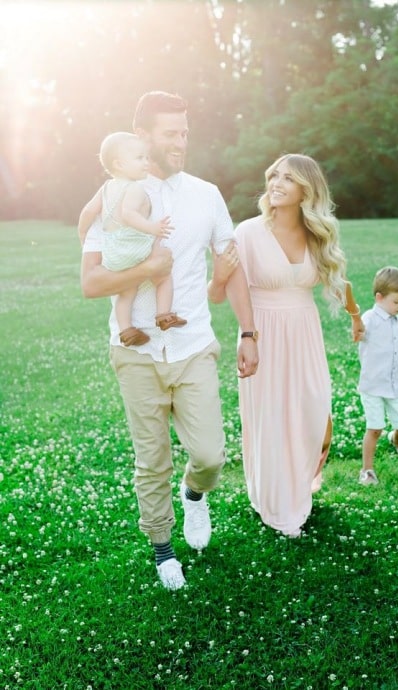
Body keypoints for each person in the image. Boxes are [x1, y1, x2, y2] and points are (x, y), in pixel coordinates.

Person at [80, 91, 258, 590]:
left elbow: (230, 263)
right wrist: (148, 268)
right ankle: (162, 550)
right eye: (170, 133)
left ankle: (195, 495)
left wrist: (248, 332)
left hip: (192, 347)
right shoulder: (112, 199)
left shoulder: (205, 194)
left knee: (210, 456)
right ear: (143, 137)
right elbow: (90, 283)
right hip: (134, 353)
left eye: (185, 132)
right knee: (151, 459)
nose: (181, 142)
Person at [209, 153, 364, 538]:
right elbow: (222, 292)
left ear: (306, 190)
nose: (276, 183)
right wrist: (248, 335)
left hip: (304, 332)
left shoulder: (317, 234)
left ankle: (299, 483)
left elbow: (339, 281)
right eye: (274, 175)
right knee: (271, 418)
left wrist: (357, 316)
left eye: (288, 178)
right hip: (262, 330)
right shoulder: (247, 232)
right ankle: (278, 506)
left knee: (314, 411)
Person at [78, 131, 187, 345]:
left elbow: (88, 212)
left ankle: (126, 330)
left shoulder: (106, 188)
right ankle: (164, 315)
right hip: (136, 248)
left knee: (126, 291)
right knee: (163, 275)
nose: (146, 162)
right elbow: (129, 215)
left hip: (114, 254)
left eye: (146, 157)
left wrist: (82, 233)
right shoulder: (134, 187)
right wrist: (153, 228)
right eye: (139, 158)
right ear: (119, 164)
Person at [357, 266, 398, 486]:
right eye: (396, 301)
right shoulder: (369, 319)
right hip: (372, 385)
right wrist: (357, 329)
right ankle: (367, 470)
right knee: (374, 428)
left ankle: (397, 440)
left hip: (396, 385)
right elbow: (359, 332)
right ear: (379, 297)